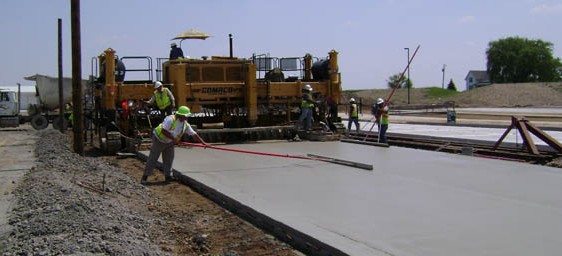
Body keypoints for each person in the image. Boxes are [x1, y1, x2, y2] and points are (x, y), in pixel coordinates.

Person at [141, 106, 197, 185]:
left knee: (169, 159)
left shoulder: (185, 124)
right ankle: (145, 177)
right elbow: (164, 131)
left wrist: (203, 143)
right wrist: (173, 139)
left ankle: (168, 177)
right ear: (180, 115)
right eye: (185, 116)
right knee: (153, 158)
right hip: (159, 140)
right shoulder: (170, 119)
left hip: (169, 142)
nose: (186, 118)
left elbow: (194, 134)